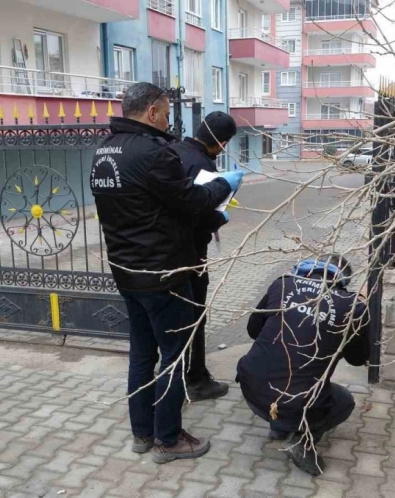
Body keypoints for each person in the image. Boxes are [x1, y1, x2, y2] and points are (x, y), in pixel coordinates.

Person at [90, 82, 244, 464]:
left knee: (142, 354)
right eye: (166, 111)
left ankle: (142, 433)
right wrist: (225, 184)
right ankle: (168, 439)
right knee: (173, 357)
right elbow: (192, 201)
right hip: (164, 274)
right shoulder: (153, 153)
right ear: (153, 112)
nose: (169, 119)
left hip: (127, 271)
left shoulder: (103, 152)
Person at [236, 254, 369, 476]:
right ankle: (301, 440)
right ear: (344, 279)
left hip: (251, 387)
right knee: (344, 402)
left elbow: (253, 330)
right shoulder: (351, 306)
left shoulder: (282, 283)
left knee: (283, 376)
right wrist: (360, 311)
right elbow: (358, 359)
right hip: (296, 400)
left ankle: (280, 426)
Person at [169, 111, 238, 402]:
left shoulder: (172, 152)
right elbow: (198, 213)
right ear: (221, 143)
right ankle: (195, 379)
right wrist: (221, 218)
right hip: (191, 253)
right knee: (195, 317)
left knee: (175, 319)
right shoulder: (202, 164)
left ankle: (177, 375)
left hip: (164, 254)